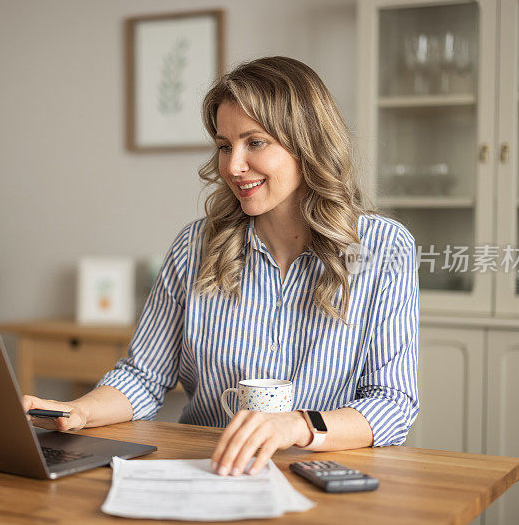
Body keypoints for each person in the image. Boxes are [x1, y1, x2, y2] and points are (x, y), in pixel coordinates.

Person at [23, 56, 419, 478]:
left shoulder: (383, 247)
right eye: (224, 146)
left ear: (308, 142)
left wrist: (297, 426)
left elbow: (392, 403)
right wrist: (77, 411)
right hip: (206, 471)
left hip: (321, 471)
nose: (233, 167)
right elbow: (144, 376)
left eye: (255, 142)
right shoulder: (195, 246)